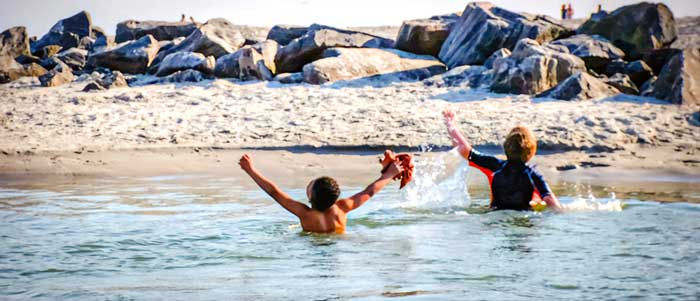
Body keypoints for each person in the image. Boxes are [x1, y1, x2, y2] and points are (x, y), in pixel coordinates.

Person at [238, 153, 404, 234]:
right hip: (340, 243)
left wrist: (250, 170)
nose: (308, 184)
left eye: (310, 185)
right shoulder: (342, 208)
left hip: (311, 247)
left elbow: (274, 192)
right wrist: (389, 175)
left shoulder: (304, 213)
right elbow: (370, 191)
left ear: (310, 196)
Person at [442, 109, 561, 211]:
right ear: (532, 150)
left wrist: (450, 124)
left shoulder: (494, 166)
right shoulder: (533, 174)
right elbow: (552, 203)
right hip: (524, 218)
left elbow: (463, 149)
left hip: (494, 215)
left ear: (506, 147)